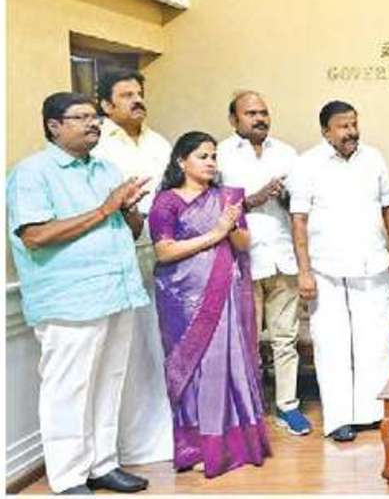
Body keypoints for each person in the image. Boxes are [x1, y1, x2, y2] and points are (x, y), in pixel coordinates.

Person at [9, 92, 154, 494]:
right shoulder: (32, 173)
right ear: (54, 126)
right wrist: (106, 209)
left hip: (118, 292)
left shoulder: (107, 168)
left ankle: (102, 465)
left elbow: (131, 231)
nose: (94, 124)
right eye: (82, 117)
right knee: (68, 390)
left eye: (96, 118)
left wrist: (128, 209)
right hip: (69, 301)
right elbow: (35, 235)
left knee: (109, 382)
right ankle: (69, 477)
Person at [148, 131, 271, 477]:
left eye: (214, 156)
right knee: (195, 369)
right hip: (183, 300)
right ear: (181, 161)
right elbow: (164, 251)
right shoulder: (166, 202)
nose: (211, 162)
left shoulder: (226, 198)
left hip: (225, 293)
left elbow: (243, 244)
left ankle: (232, 444)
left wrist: (230, 227)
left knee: (227, 364)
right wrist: (215, 233)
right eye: (202, 156)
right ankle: (196, 446)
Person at [289, 100, 389, 442]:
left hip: (373, 264)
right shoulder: (307, 164)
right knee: (333, 344)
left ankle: (379, 413)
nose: (351, 132)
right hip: (327, 269)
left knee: (378, 341)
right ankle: (340, 418)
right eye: (343, 126)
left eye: (354, 124)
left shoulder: (374, 158)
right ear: (326, 131)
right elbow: (299, 220)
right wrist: (304, 271)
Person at [90, 70, 176, 465]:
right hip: (116, 258)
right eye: (126, 95)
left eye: (139, 93)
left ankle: (163, 439)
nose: (137, 100)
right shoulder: (98, 146)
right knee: (124, 354)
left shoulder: (159, 143)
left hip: (163, 256)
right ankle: (122, 446)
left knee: (159, 346)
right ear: (106, 105)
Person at [215, 91, 311, 436]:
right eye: (251, 113)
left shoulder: (286, 153)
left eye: (264, 112)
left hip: (283, 258)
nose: (260, 118)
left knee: (286, 339)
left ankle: (288, 406)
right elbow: (211, 207)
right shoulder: (220, 154)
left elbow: (300, 206)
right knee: (247, 341)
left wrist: (286, 197)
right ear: (234, 119)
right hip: (243, 260)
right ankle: (250, 408)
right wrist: (252, 199)